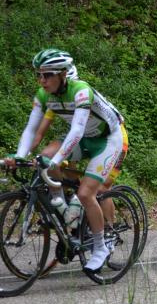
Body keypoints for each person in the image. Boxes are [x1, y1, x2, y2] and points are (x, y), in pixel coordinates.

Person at [5, 49, 126, 273]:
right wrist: (19, 156)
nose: (42, 80)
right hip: (84, 138)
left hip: (108, 139)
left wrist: (57, 162)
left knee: (85, 193)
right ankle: (63, 208)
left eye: (48, 75)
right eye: (39, 75)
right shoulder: (43, 95)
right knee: (45, 155)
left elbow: (77, 131)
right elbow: (32, 129)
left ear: (62, 74)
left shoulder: (81, 90)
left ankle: (100, 247)